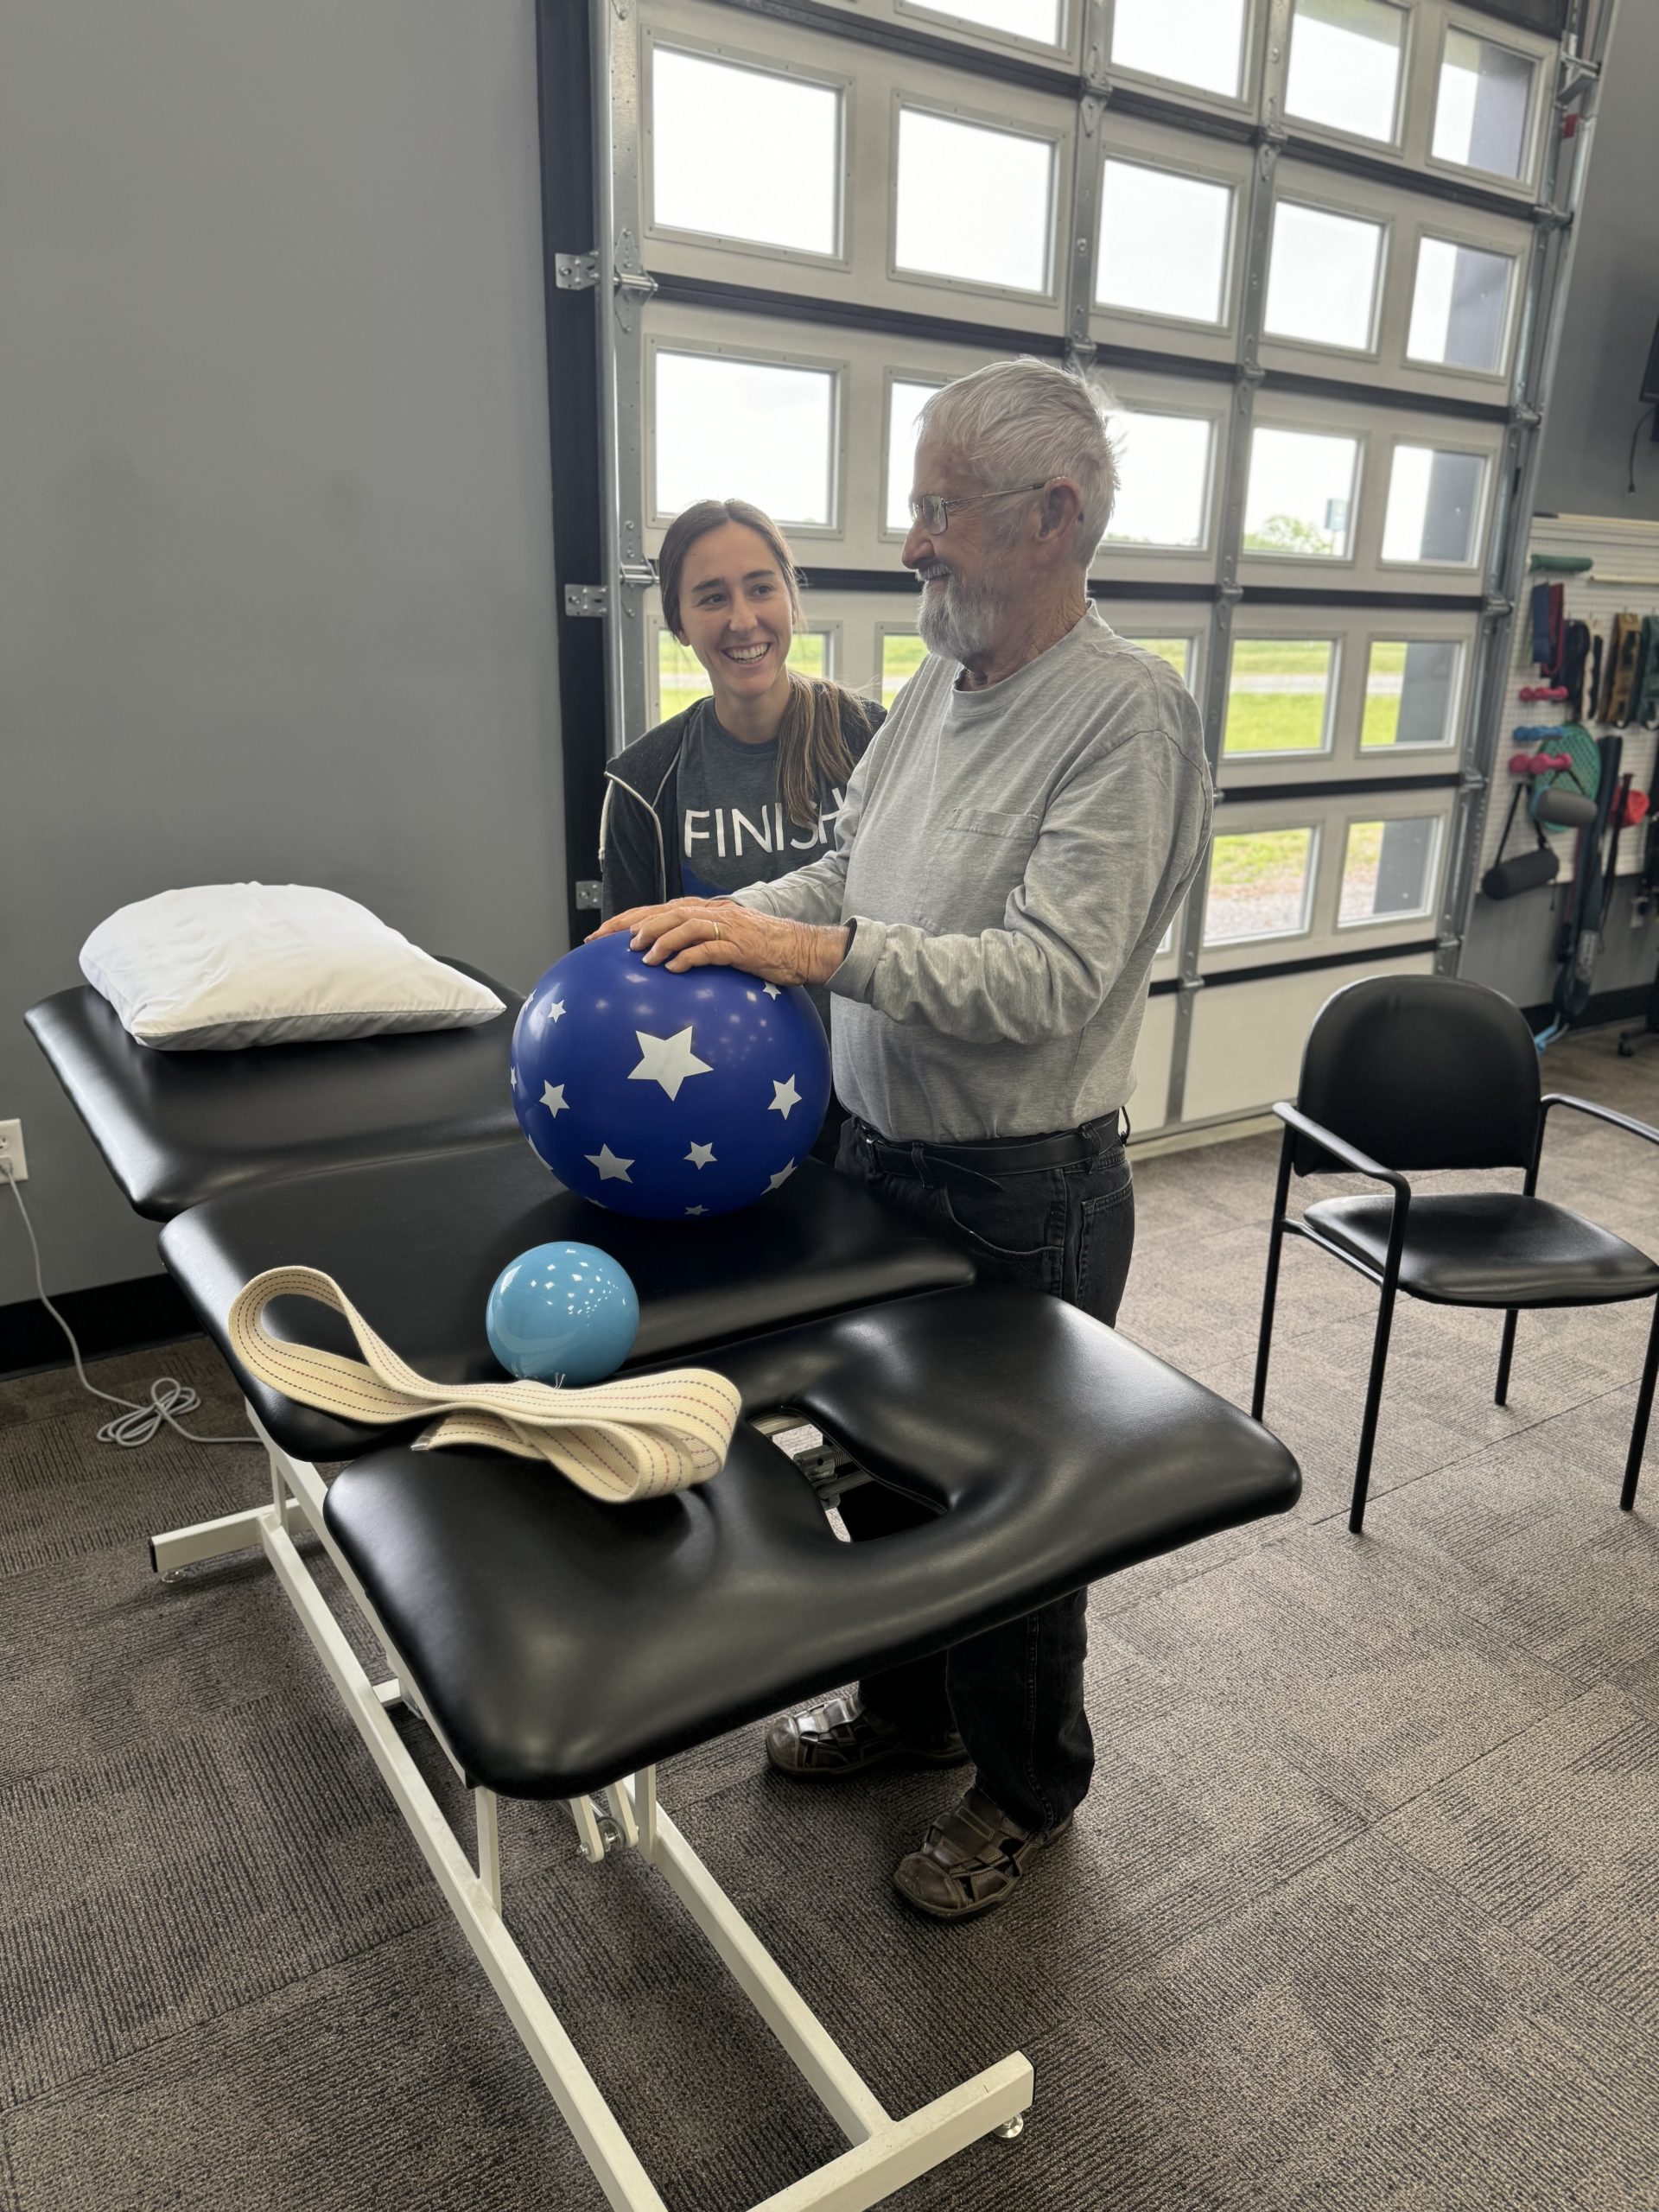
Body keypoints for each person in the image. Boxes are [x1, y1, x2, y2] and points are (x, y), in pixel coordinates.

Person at [594, 358, 1213, 1923]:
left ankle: (1024, 1790)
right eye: (915, 506)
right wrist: (722, 922)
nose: (913, 540)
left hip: (1021, 1190)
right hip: (878, 1157)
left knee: (1013, 1520)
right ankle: (910, 1711)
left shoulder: (1127, 716)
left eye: (939, 507)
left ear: (1052, 515)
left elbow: (1049, 979)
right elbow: (844, 868)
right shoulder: (940, 679)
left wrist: (807, 950)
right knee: (882, 1466)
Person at [601, 499, 880, 1160]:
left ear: (791, 596)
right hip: (720, 1117)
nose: (742, 620)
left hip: (876, 1112)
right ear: (678, 623)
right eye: (711, 597)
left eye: (760, 588)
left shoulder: (874, 739)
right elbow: (629, 979)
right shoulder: (643, 782)